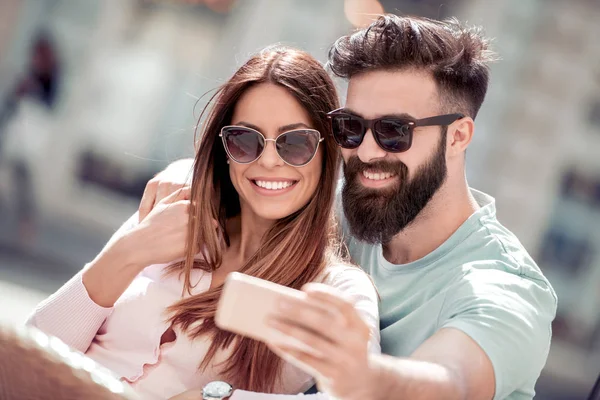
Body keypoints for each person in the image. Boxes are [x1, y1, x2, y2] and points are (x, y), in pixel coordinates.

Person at [144, 15, 557, 400]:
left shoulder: (504, 287)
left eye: (395, 131)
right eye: (352, 127)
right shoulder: (352, 201)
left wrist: (364, 375)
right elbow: (269, 175)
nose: (368, 151)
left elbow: (453, 379)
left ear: (458, 135)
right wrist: (191, 180)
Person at [26, 46, 379, 400]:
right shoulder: (173, 212)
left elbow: (364, 396)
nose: (269, 160)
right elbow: (31, 351)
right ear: (225, 149)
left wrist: (218, 397)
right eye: (245, 140)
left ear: (326, 152)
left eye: (295, 143)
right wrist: (130, 251)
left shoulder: (337, 289)